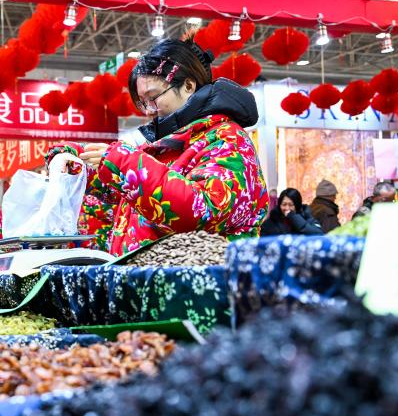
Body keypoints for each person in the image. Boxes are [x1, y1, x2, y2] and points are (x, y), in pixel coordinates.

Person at [60, 33, 268, 254]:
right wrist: (78, 163)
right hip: (156, 272)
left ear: (188, 85)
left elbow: (203, 210)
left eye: (153, 97)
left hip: (201, 273)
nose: (149, 110)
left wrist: (125, 162)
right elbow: (126, 195)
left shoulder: (229, 139)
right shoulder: (170, 144)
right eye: (143, 102)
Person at [260, 188, 324, 236]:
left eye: (291, 205)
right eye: (284, 204)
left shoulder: (306, 216)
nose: (287, 208)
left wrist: (294, 217)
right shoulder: (271, 221)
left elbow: (319, 234)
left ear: (297, 205)